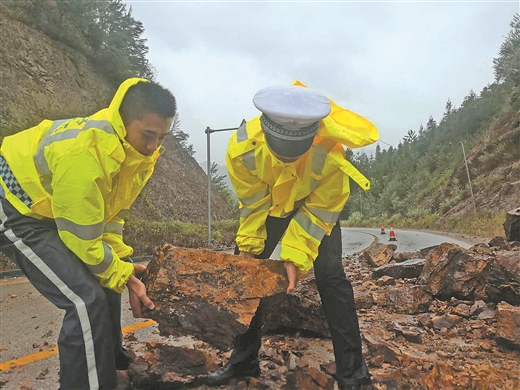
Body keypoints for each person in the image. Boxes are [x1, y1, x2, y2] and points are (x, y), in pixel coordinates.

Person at [0, 78, 176, 390]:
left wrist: (123, 264)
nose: (154, 146)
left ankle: (112, 363)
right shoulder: (87, 152)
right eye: (148, 135)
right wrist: (122, 273)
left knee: (108, 277)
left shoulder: (137, 157)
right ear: (123, 120)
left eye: (162, 137)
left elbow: (109, 217)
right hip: (17, 206)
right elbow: (80, 236)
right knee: (83, 299)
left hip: (55, 208)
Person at [206, 82, 379, 390]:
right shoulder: (242, 148)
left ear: (313, 136)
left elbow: (318, 213)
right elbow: (254, 204)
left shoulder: (332, 155)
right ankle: (244, 359)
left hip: (314, 206)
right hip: (271, 204)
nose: (287, 159)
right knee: (246, 270)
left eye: (296, 152)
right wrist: (249, 249)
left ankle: (354, 375)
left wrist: (296, 256)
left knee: (332, 277)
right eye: (281, 151)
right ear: (267, 132)